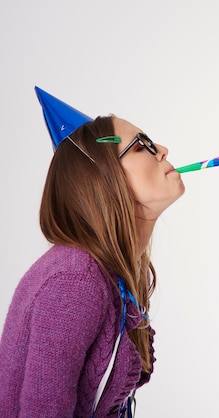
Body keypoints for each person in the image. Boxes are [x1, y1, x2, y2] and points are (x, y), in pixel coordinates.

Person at [0, 87, 185, 417]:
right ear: (104, 178)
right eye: (141, 145)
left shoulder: (113, 277)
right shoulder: (75, 279)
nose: (163, 150)